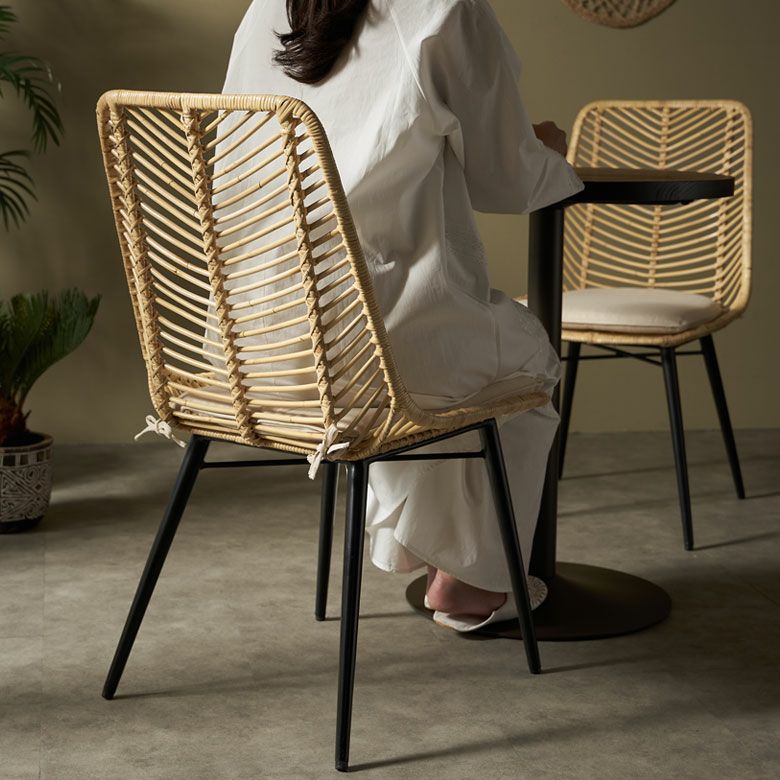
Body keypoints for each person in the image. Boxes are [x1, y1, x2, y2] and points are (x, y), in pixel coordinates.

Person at [222, 0, 583, 630]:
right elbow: (508, 181)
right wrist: (545, 149)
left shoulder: (268, 10)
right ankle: (472, 578)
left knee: (445, 359)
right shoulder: (443, 9)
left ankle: (425, 553)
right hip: (369, 355)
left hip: (254, 348)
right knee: (523, 361)